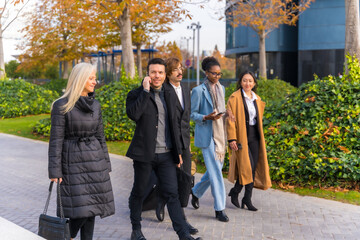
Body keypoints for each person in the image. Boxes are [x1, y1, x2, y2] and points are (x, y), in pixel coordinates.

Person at [126, 58, 202, 240]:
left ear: (164, 74)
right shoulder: (136, 94)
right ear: (148, 74)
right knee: (139, 191)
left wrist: (178, 153)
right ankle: (136, 230)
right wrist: (145, 91)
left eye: (160, 72)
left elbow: (174, 125)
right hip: (145, 155)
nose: (157, 76)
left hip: (167, 155)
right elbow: (134, 114)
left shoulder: (169, 94)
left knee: (172, 193)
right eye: (153, 72)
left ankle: (183, 235)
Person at [48, 62, 115, 240]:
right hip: (72, 163)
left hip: (95, 161)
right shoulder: (62, 105)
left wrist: (106, 163)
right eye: (91, 78)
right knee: (82, 209)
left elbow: (101, 137)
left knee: (92, 209)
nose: (95, 81)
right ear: (80, 79)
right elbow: (56, 140)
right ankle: (67, 235)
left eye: (95, 78)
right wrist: (55, 170)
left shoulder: (96, 105)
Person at [154, 57, 198, 234]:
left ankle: (169, 206)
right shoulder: (164, 90)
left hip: (184, 143)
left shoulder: (186, 90)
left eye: (181, 68)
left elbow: (185, 119)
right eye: (175, 69)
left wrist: (187, 143)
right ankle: (180, 219)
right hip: (169, 144)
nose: (180, 72)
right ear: (168, 73)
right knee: (170, 180)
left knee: (185, 180)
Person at [189, 56, 229, 222]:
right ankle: (220, 208)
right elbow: (192, 114)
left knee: (215, 170)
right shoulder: (198, 91)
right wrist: (205, 117)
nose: (217, 77)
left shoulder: (222, 89)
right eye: (214, 74)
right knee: (216, 173)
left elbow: (222, 109)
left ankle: (196, 191)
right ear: (206, 73)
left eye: (219, 74)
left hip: (220, 135)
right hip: (207, 134)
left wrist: (227, 114)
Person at [226, 71, 271, 211]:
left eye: (250, 81)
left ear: (254, 83)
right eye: (245, 80)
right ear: (240, 82)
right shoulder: (234, 98)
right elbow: (230, 120)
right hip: (241, 137)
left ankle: (246, 197)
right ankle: (237, 192)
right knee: (248, 166)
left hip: (255, 137)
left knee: (253, 167)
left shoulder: (257, 99)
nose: (247, 83)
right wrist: (232, 138)